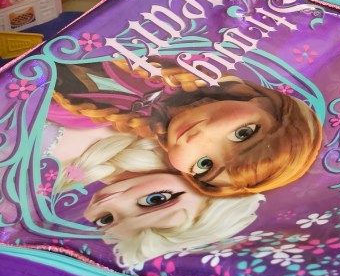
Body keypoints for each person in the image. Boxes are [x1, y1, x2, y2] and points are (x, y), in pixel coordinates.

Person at [49, 58, 323, 197]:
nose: (198, 140)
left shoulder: (91, 122)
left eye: (204, 165)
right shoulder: (191, 57)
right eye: (243, 134)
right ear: (264, 102)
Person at [48, 131, 264, 268]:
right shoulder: (175, 127)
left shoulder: (65, 175)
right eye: (155, 200)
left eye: (106, 219)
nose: (107, 202)